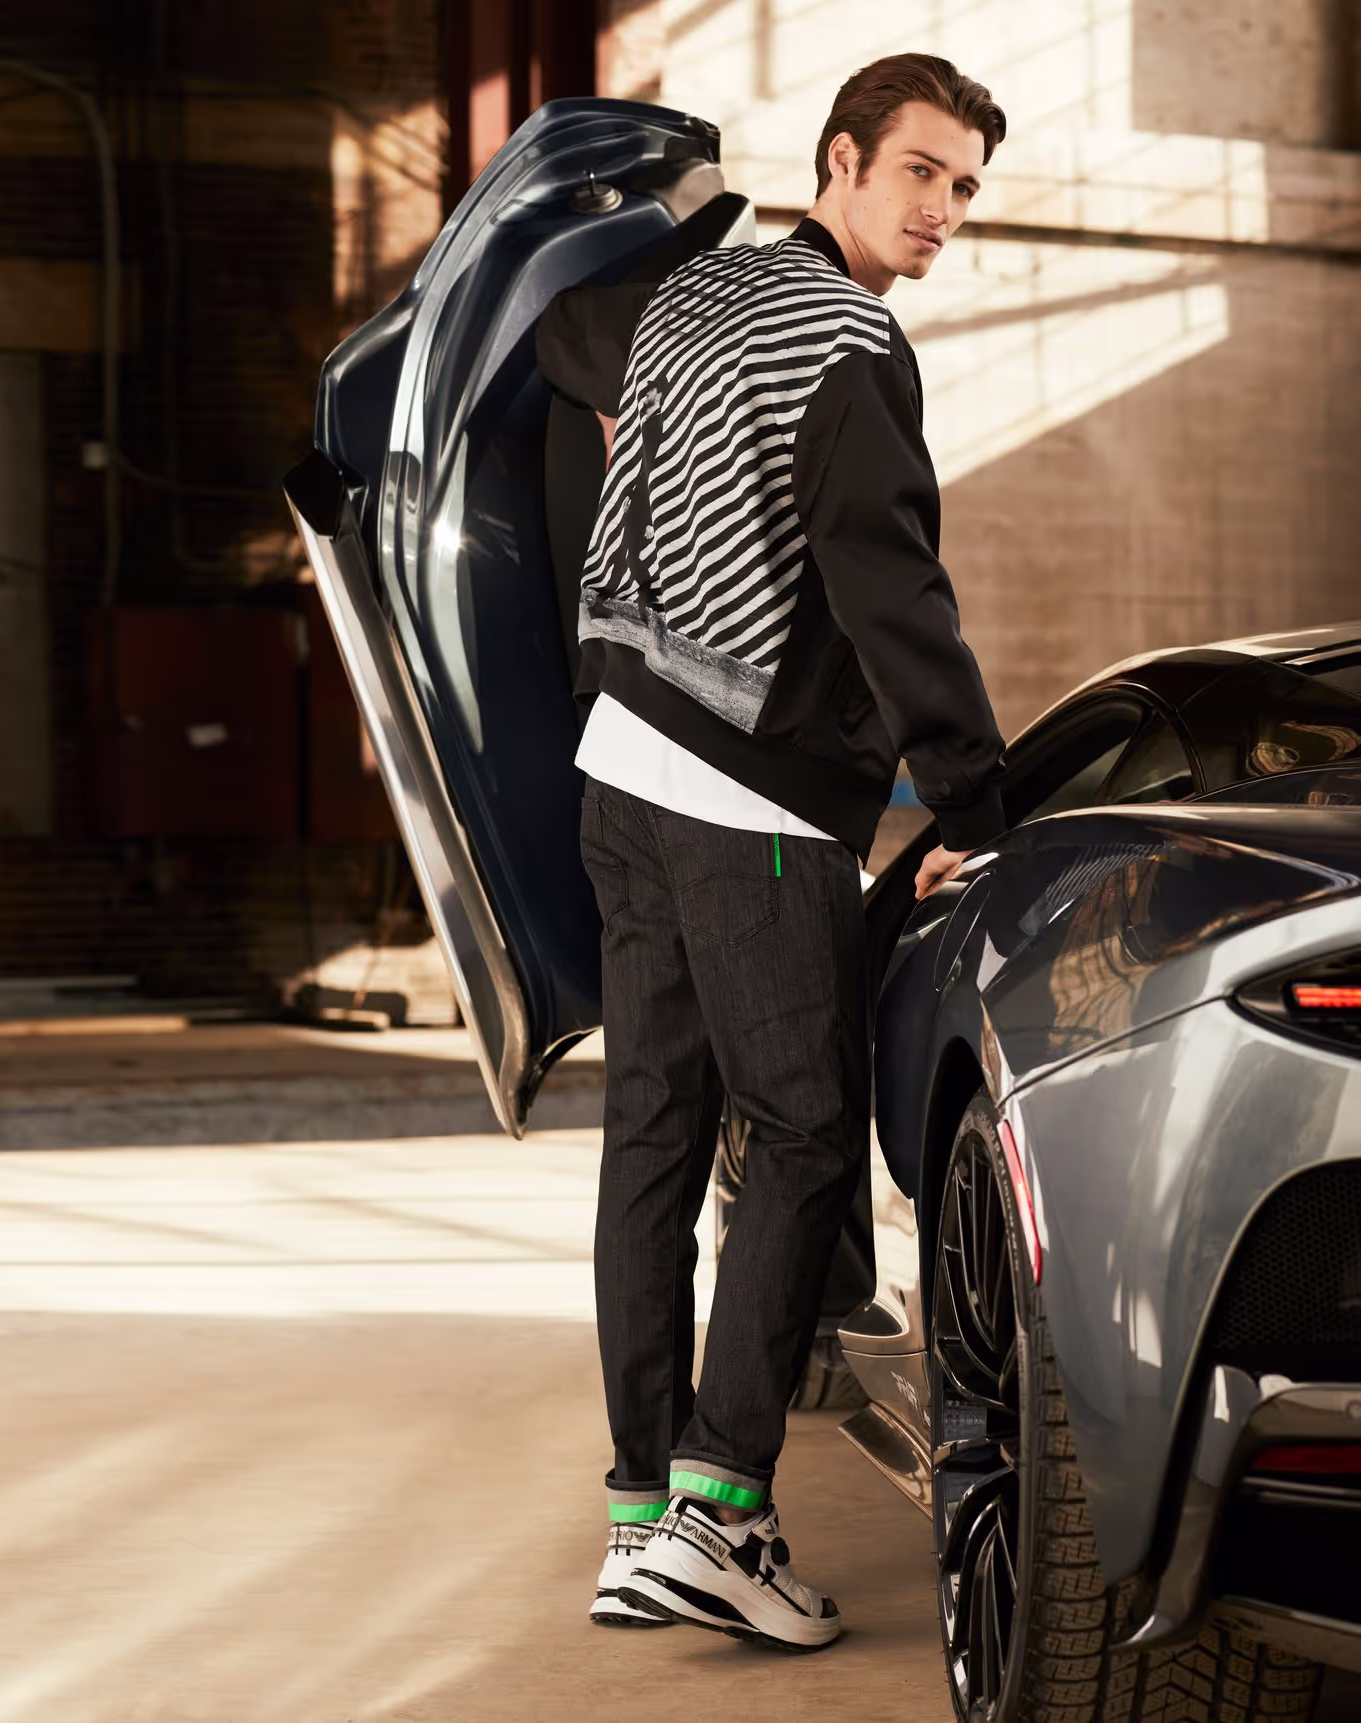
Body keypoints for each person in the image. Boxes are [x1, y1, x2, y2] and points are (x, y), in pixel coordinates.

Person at [535, 53, 1008, 1649]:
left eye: (964, 188)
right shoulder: (853, 344)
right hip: (748, 793)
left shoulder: (691, 296)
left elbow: (556, 331)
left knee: (654, 1138)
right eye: (920, 172)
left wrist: (639, 379)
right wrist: (978, 801)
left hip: (618, 759)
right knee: (803, 1131)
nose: (942, 211)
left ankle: (637, 1511)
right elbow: (892, 591)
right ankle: (721, 1510)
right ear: (843, 160)